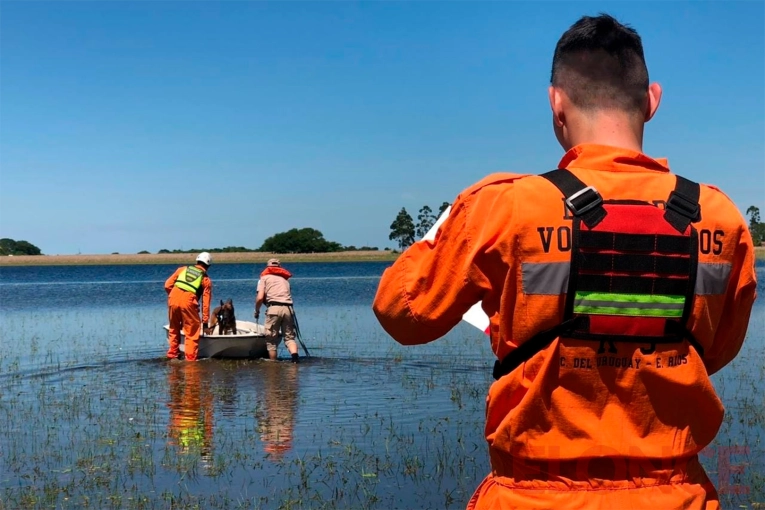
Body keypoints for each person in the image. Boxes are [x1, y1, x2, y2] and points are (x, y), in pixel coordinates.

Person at [372, 13, 757, 510]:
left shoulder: (504, 206)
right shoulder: (720, 219)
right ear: (652, 101)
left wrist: (455, 222)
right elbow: (715, 351)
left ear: (555, 103)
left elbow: (401, 314)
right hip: (678, 497)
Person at [164, 252, 213, 362]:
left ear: (197, 261)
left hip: (172, 299)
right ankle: (190, 361)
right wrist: (205, 323)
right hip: (189, 303)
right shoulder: (206, 280)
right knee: (192, 333)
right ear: (208, 266)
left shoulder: (182, 269)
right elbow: (206, 304)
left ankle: (173, 356)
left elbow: (167, 285)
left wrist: (174, 297)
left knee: (174, 328)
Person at [254, 258, 299, 363]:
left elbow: (260, 298)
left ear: (268, 267)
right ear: (279, 267)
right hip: (288, 308)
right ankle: (295, 360)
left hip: (274, 309)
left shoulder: (264, 278)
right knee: (289, 338)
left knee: (271, 341)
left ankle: (273, 365)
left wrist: (257, 310)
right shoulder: (285, 280)